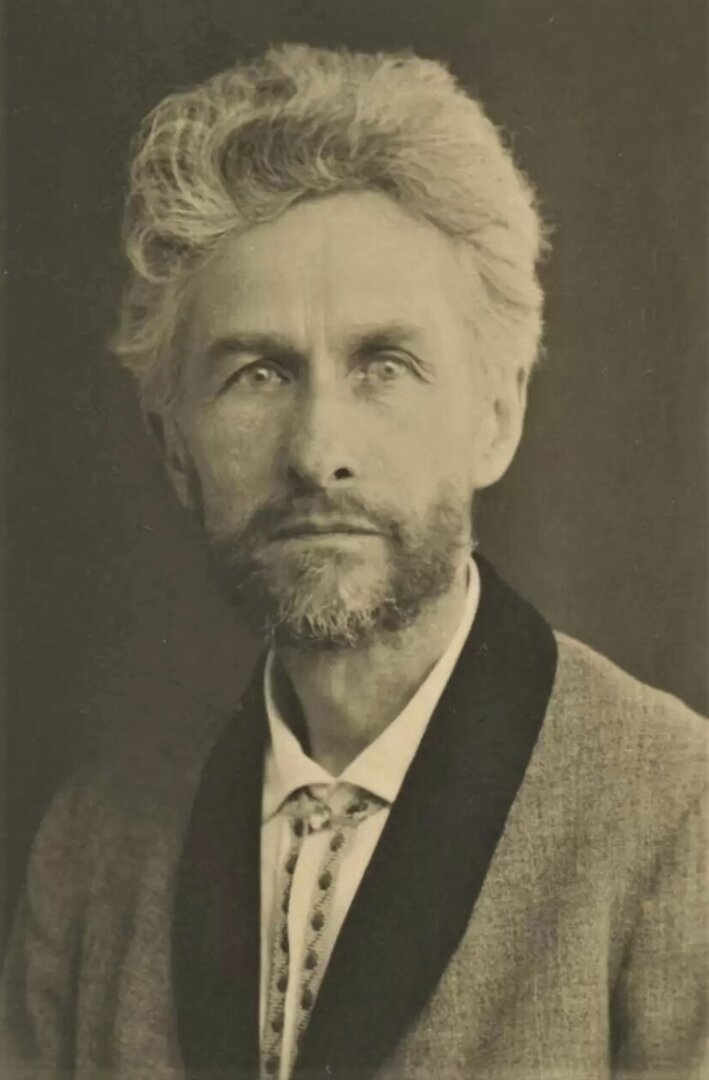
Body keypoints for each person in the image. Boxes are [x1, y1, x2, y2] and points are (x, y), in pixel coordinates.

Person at [1, 42, 706, 1080]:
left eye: (385, 364)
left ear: (496, 418)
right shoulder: (92, 853)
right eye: (257, 372)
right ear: (174, 449)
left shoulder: (678, 815)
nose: (317, 450)